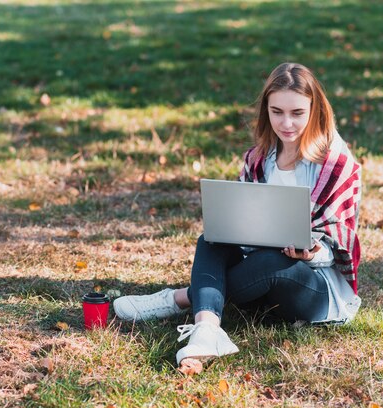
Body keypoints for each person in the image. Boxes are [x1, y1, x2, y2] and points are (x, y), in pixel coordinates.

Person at [113, 62, 362, 368]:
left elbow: (340, 242)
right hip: (259, 275)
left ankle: (181, 298)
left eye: (297, 113)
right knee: (212, 240)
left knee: (272, 262)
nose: (286, 123)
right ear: (266, 111)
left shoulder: (336, 164)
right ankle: (207, 331)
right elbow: (245, 226)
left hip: (315, 287)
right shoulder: (259, 160)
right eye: (277, 112)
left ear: (315, 111)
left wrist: (310, 253)